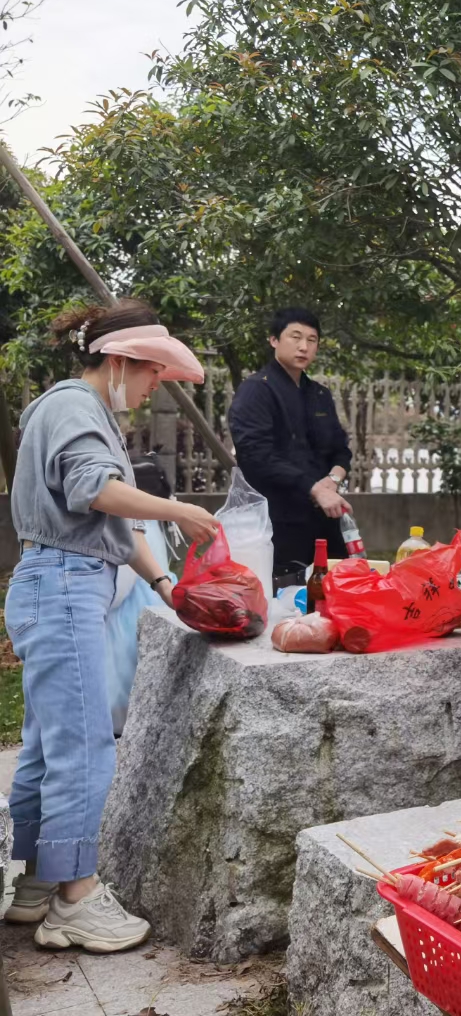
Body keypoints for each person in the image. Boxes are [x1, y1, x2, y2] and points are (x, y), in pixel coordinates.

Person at [4, 301, 219, 952]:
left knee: (48, 743)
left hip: (63, 582)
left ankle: (39, 881)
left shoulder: (78, 409)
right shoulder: (74, 407)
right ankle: (75, 900)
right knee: (86, 746)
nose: (156, 387)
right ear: (123, 360)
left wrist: (163, 586)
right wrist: (178, 508)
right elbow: (93, 492)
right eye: (153, 374)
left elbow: (117, 531)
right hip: (65, 586)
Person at [228, 308, 353, 588]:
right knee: (283, 605)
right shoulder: (255, 391)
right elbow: (256, 455)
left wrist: (332, 480)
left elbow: (341, 450)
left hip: (325, 519)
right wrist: (314, 488)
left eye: (312, 339)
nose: (303, 346)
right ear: (274, 340)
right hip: (276, 520)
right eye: (295, 337)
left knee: (333, 599)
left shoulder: (320, 395)